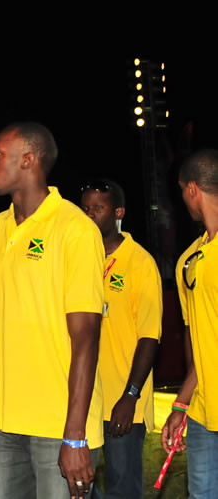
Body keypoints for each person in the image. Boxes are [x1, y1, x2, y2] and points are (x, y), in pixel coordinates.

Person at [0, 122, 105, 499]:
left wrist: (74, 437)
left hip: (58, 425)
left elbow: (86, 338)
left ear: (28, 160)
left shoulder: (75, 229)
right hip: (2, 425)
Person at [80, 179, 161, 499]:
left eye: (97, 209)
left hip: (121, 404)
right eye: (85, 209)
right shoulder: (80, 261)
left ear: (118, 213)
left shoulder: (140, 263)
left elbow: (149, 337)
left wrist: (130, 396)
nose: (89, 216)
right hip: (83, 401)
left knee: (122, 490)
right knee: (75, 485)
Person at [161, 149, 218, 498]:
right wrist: (181, 404)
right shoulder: (189, 260)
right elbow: (199, 338)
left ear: (192, 189)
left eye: (183, 191)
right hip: (201, 412)